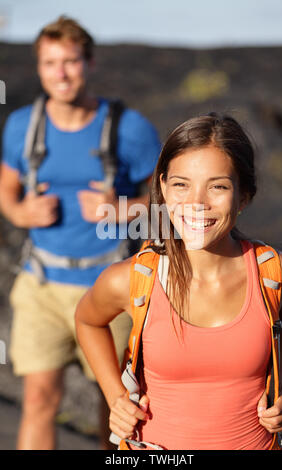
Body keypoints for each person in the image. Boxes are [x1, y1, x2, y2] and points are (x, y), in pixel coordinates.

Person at [75, 113, 282, 450]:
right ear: (163, 188)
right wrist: (116, 397)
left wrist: (277, 386)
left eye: (218, 186)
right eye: (181, 184)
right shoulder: (133, 279)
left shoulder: (281, 274)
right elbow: (87, 321)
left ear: (244, 196)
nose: (196, 203)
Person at [0, 16, 161, 450]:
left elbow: (168, 201)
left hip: (112, 290)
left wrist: (121, 208)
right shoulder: (21, 126)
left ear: (89, 63)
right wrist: (20, 212)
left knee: (120, 410)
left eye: (70, 61)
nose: (61, 73)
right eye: (50, 63)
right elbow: (6, 191)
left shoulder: (130, 129)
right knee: (37, 400)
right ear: (39, 67)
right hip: (41, 286)